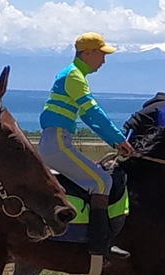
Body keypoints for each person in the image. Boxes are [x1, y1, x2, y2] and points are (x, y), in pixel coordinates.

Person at [39, 32, 135, 259]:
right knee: (102, 181)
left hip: (57, 140)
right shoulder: (74, 76)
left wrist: (115, 140)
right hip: (57, 143)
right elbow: (93, 113)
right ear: (88, 53)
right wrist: (119, 140)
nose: (103, 60)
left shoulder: (73, 74)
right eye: (102, 54)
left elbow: (90, 118)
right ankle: (100, 245)